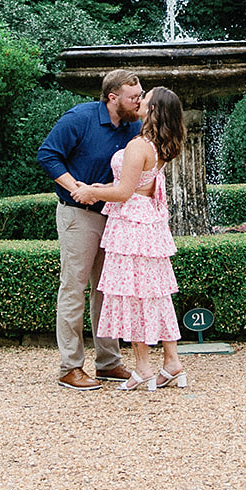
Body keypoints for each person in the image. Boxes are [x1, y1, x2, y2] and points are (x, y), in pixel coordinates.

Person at [70, 86, 187, 391]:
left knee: (132, 294)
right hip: (148, 223)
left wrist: (91, 190)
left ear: (153, 111)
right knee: (155, 293)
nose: (139, 99)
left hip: (132, 226)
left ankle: (144, 368)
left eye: (144, 98)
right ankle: (171, 363)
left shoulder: (139, 146)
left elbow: (123, 192)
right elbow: (136, 185)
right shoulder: (162, 145)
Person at [37, 69, 143, 390]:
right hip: (78, 214)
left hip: (114, 216)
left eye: (140, 96)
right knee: (74, 288)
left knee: (106, 290)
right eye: (133, 97)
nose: (138, 101)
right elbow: (48, 155)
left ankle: (108, 363)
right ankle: (70, 367)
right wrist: (77, 188)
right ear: (113, 98)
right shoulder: (79, 119)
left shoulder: (134, 126)